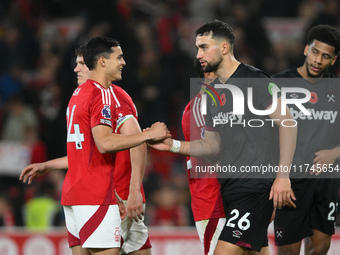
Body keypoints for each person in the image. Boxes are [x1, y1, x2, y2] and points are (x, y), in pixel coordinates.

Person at [148, 20, 297, 255]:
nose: (198, 54)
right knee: (254, 251)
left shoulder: (255, 80)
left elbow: (288, 123)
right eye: (197, 48)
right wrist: (172, 145)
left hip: (256, 185)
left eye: (204, 47)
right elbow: (211, 144)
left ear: (225, 48)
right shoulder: (214, 93)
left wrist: (283, 177)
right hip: (231, 188)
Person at [20, 37, 170, 255]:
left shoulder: (77, 97)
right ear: (102, 62)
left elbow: (84, 152)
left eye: (81, 63)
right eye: (118, 57)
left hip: (89, 192)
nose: (77, 68)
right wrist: (148, 136)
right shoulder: (102, 95)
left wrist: (48, 165)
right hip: (99, 195)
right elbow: (106, 143)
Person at [272, 24, 340, 255]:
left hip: (326, 181)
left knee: (320, 248)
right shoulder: (277, 84)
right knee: (288, 252)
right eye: (315, 52)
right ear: (305, 50)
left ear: (333, 60)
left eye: (325, 56)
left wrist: (335, 153)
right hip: (290, 182)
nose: (318, 60)